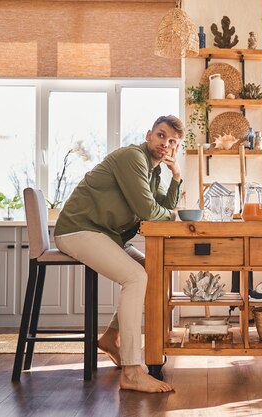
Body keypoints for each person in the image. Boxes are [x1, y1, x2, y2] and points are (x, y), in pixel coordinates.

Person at [54, 115, 184, 393]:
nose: (165, 143)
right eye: (161, 136)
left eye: (172, 141)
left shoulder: (154, 171)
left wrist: (176, 177)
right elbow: (152, 213)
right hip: (79, 229)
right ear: (149, 135)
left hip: (106, 234)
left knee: (155, 268)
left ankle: (111, 338)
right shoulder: (133, 157)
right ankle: (132, 371)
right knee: (136, 277)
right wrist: (173, 217)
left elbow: (161, 205)